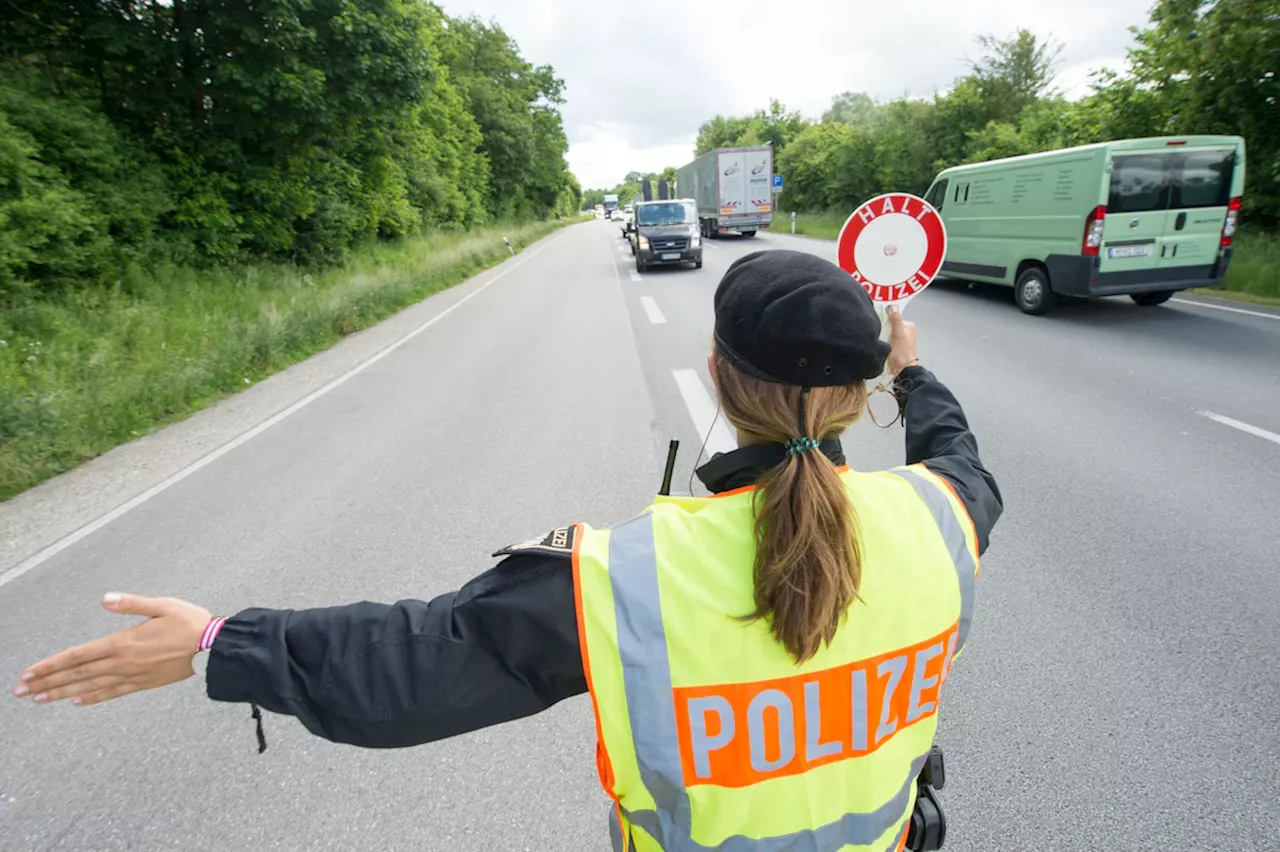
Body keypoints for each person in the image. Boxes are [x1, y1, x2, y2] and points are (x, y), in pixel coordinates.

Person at [13, 250, 1002, 851]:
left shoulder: (622, 582)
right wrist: (914, 379)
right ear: (855, 396)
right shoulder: (941, 521)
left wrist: (214, 641)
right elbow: (957, 460)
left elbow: (404, 670)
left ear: (715, 375)